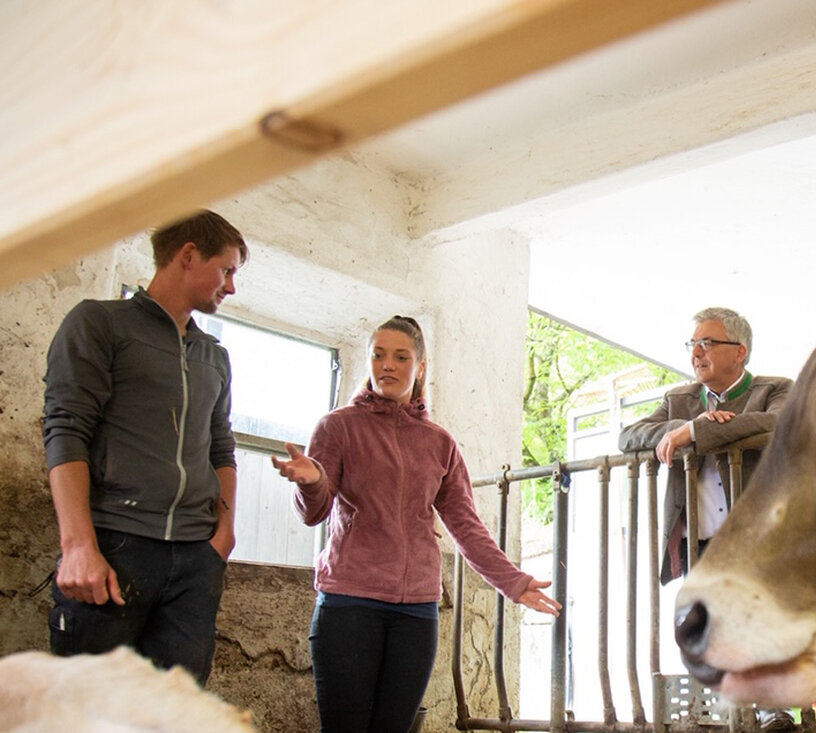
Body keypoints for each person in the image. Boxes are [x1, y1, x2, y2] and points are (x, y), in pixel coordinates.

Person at [272, 315, 561, 733]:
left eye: (400, 356)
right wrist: (313, 481)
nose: (387, 365)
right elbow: (313, 513)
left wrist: (513, 583)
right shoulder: (337, 427)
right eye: (378, 355)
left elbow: (466, 526)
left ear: (420, 366)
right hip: (350, 604)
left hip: (416, 612)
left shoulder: (439, 443)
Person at [42, 210, 248, 685]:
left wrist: (224, 534)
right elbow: (65, 428)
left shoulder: (213, 355)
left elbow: (222, 447)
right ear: (189, 254)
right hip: (116, 547)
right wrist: (77, 547)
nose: (231, 287)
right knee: (89, 713)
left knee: (174, 715)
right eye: (228, 269)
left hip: (196, 559)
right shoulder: (99, 323)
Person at [618, 306, 795, 732]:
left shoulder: (776, 388)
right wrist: (688, 423)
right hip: (698, 538)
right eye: (692, 343)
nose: (696, 352)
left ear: (740, 352)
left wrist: (700, 435)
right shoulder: (679, 399)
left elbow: (778, 425)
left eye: (707, 342)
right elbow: (628, 436)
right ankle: (728, 713)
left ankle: (773, 710)